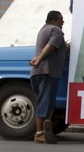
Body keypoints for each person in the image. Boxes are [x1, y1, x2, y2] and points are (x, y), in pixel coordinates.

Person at [30, 10, 68, 144]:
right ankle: (39, 134)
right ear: (53, 20)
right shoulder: (56, 31)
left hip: (38, 73)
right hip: (48, 72)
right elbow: (51, 46)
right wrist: (39, 59)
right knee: (45, 102)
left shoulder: (43, 30)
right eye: (61, 19)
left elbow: (61, 47)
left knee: (49, 103)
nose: (63, 22)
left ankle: (46, 130)